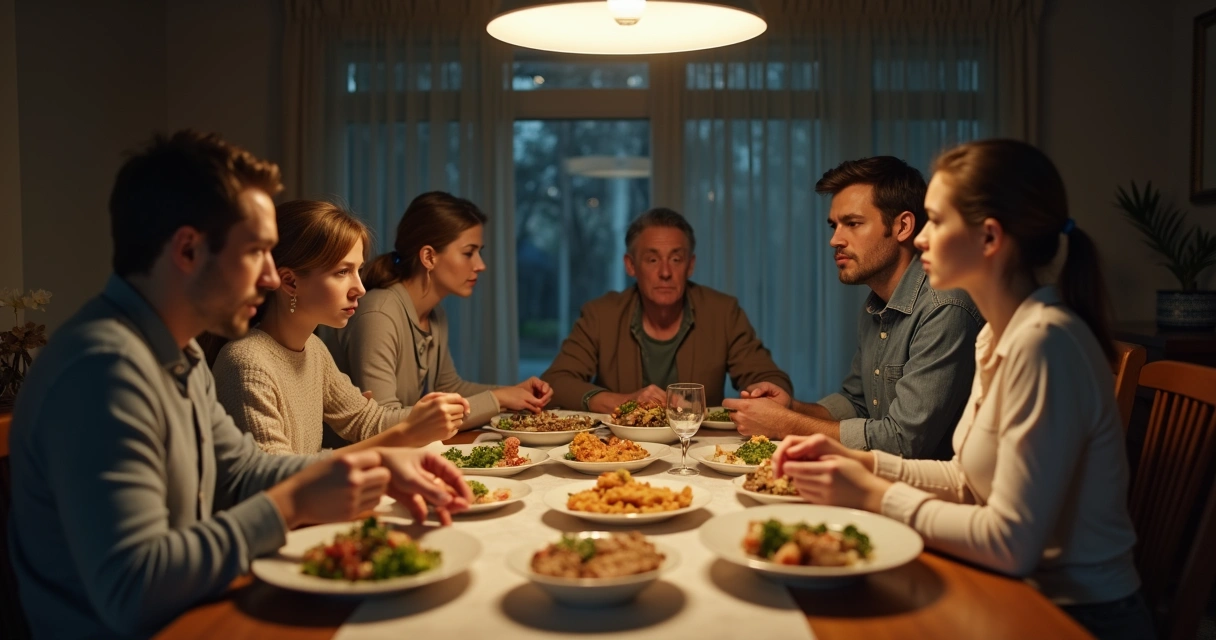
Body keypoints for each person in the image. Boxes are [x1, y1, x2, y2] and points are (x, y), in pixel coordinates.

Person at [7, 131, 472, 638]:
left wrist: (371, 464)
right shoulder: (104, 370)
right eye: (256, 251)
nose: (272, 277)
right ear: (188, 250)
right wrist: (294, 502)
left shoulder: (178, 351)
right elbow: (134, 590)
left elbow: (241, 471)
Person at [772, 140, 1152, 640]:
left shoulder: (1044, 343)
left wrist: (871, 493)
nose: (921, 237)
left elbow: (1011, 544)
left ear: (989, 237)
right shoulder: (997, 334)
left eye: (935, 221)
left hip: (1072, 614)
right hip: (1012, 588)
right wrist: (863, 463)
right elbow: (966, 481)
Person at [724, 157, 982, 459]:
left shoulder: (944, 307)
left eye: (853, 223)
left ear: (902, 226)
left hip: (926, 486)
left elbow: (904, 441)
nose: (835, 240)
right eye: (834, 226)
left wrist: (785, 424)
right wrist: (790, 407)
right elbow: (857, 404)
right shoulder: (875, 305)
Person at [212, 200, 471, 454]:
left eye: (358, 270)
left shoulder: (313, 349)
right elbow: (280, 475)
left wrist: (422, 417)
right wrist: (408, 431)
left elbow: (365, 421)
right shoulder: (247, 364)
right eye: (342, 272)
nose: (360, 288)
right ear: (290, 282)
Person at [329, 191, 551, 427]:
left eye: (479, 252)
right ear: (428, 257)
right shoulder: (379, 316)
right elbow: (382, 421)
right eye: (468, 253)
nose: (480, 265)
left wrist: (512, 393)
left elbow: (449, 387)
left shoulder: (435, 315)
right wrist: (497, 399)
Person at [542, 207, 792, 413]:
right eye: (652, 260)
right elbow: (556, 382)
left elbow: (771, 379)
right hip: (619, 448)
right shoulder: (601, 314)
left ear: (690, 265)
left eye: (676, 259)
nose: (665, 272)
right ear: (630, 265)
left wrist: (761, 393)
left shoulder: (723, 312)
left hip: (698, 446)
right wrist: (622, 401)